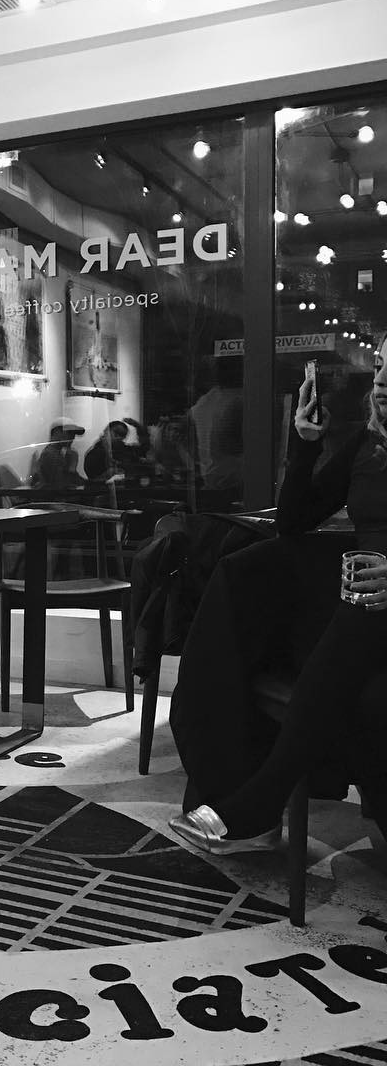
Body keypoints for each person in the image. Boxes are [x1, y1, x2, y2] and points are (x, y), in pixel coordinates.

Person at [169, 353, 387, 853]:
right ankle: (230, 779)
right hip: (365, 599)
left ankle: (260, 800)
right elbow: (293, 522)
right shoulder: (369, 445)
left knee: (360, 607)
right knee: (248, 578)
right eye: (379, 368)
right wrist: (305, 445)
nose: (381, 382)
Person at [188, 355, 243, 492]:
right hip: (234, 482)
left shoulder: (201, 404)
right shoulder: (240, 400)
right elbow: (223, 444)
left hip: (211, 481)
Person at [31, 418, 85, 489]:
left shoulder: (59, 454)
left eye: (73, 434)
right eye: (69, 433)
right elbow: (60, 486)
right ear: (56, 432)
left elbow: (76, 481)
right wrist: (72, 466)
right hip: (54, 499)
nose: (72, 437)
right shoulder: (50, 454)